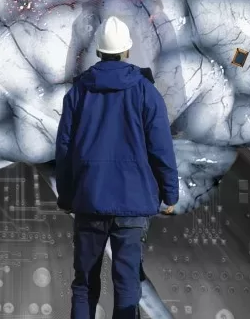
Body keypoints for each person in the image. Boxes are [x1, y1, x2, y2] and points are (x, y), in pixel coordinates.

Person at [55, 16, 180, 319]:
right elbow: (161, 148)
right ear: (127, 51)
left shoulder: (79, 93)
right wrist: (170, 195)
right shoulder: (146, 93)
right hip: (132, 204)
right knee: (126, 285)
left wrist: (68, 196)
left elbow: (64, 149)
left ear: (98, 52)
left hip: (90, 201)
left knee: (84, 283)